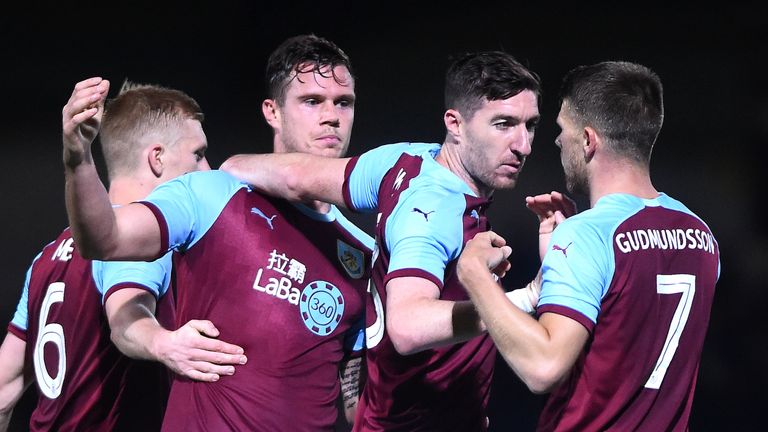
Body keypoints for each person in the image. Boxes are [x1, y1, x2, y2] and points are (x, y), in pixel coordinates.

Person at [220, 50, 559, 431]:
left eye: (530, 126)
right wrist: (529, 296)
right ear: (455, 124)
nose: (523, 145)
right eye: (503, 124)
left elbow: (296, 176)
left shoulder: (402, 161)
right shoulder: (433, 212)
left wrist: (231, 166)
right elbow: (407, 326)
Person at [62, 34, 374, 431]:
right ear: (272, 111)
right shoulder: (209, 195)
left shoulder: (363, 253)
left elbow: (353, 399)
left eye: (342, 103)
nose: (331, 116)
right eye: (311, 101)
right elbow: (102, 240)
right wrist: (78, 159)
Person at [456, 61, 720, 431]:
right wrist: (560, 273)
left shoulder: (588, 234)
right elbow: (623, 343)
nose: (556, 141)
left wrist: (475, 278)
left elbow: (542, 367)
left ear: (588, 140)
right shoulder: (702, 235)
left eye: (563, 129)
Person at [0, 78, 246, 431]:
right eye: (198, 153)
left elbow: (5, 390)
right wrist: (166, 343)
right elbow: (125, 320)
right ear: (157, 158)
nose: (207, 169)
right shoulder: (146, 245)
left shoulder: (48, 257)